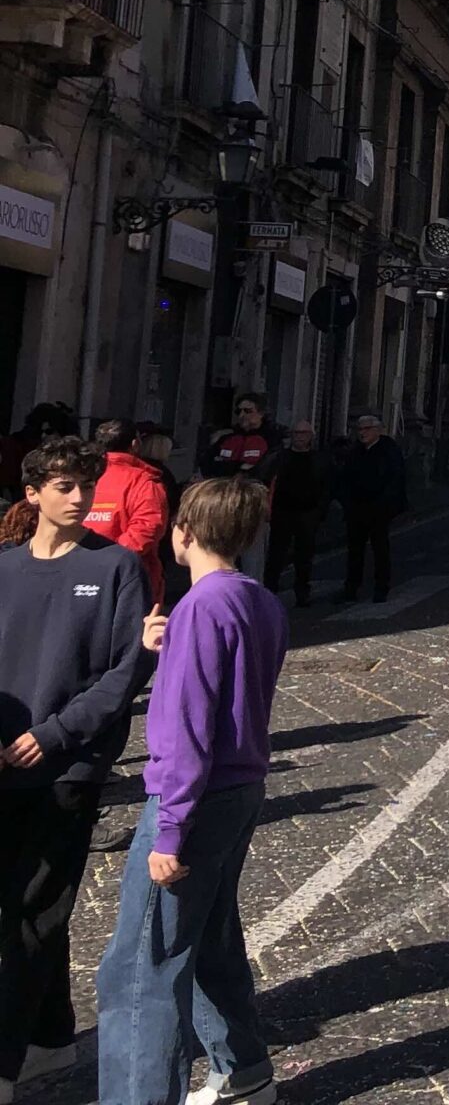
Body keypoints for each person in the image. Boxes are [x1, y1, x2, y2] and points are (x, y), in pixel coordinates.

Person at [95, 476, 288, 1105]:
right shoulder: (257, 599)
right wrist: (168, 641)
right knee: (208, 931)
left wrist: (170, 827)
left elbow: (185, 728)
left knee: (140, 967)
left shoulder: (200, 607)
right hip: (241, 787)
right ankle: (244, 1066)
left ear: (184, 532)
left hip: (195, 798)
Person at [0, 439, 149, 1099]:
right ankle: (52, 1041)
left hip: (68, 769)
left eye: (84, 485)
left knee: (32, 912)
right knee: (29, 911)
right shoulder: (3, 569)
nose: (79, 496)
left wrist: (55, 734)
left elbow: (123, 671)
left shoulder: (116, 566)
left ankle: (4, 1064)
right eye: (63, 485)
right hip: (3, 765)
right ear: (32, 494)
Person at [85, 418, 170, 606]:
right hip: (130, 581)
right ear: (135, 444)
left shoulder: (82, 476)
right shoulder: (144, 482)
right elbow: (146, 531)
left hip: (80, 571)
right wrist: (111, 562)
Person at [335, 413, 407, 604]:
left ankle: (381, 587)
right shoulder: (355, 452)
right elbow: (345, 479)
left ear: (377, 430)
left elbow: (395, 479)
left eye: (366, 429)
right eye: (359, 429)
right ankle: (351, 587)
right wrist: (347, 503)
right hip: (357, 508)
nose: (362, 433)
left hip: (379, 509)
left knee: (380, 548)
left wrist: (385, 504)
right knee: (354, 550)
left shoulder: (389, 450)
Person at [262, 420, 329, 607]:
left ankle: (302, 592)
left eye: (304, 433)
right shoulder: (279, 458)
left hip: (308, 513)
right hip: (282, 512)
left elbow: (327, 486)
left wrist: (320, 511)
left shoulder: (320, 459)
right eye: (297, 433)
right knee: (276, 554)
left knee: (304, 556)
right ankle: (270, 591)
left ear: (311, 436)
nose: (300, 437)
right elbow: (267, 480)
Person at [200, 394, 274, 484]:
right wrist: (239, 466)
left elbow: (265, 471)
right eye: (238, 411)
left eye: (247, 411)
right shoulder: (226, 437)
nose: (242, 415)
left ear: (261, 413)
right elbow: (208, 465)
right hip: (224, 490)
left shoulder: (271, 439)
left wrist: (243, 471)